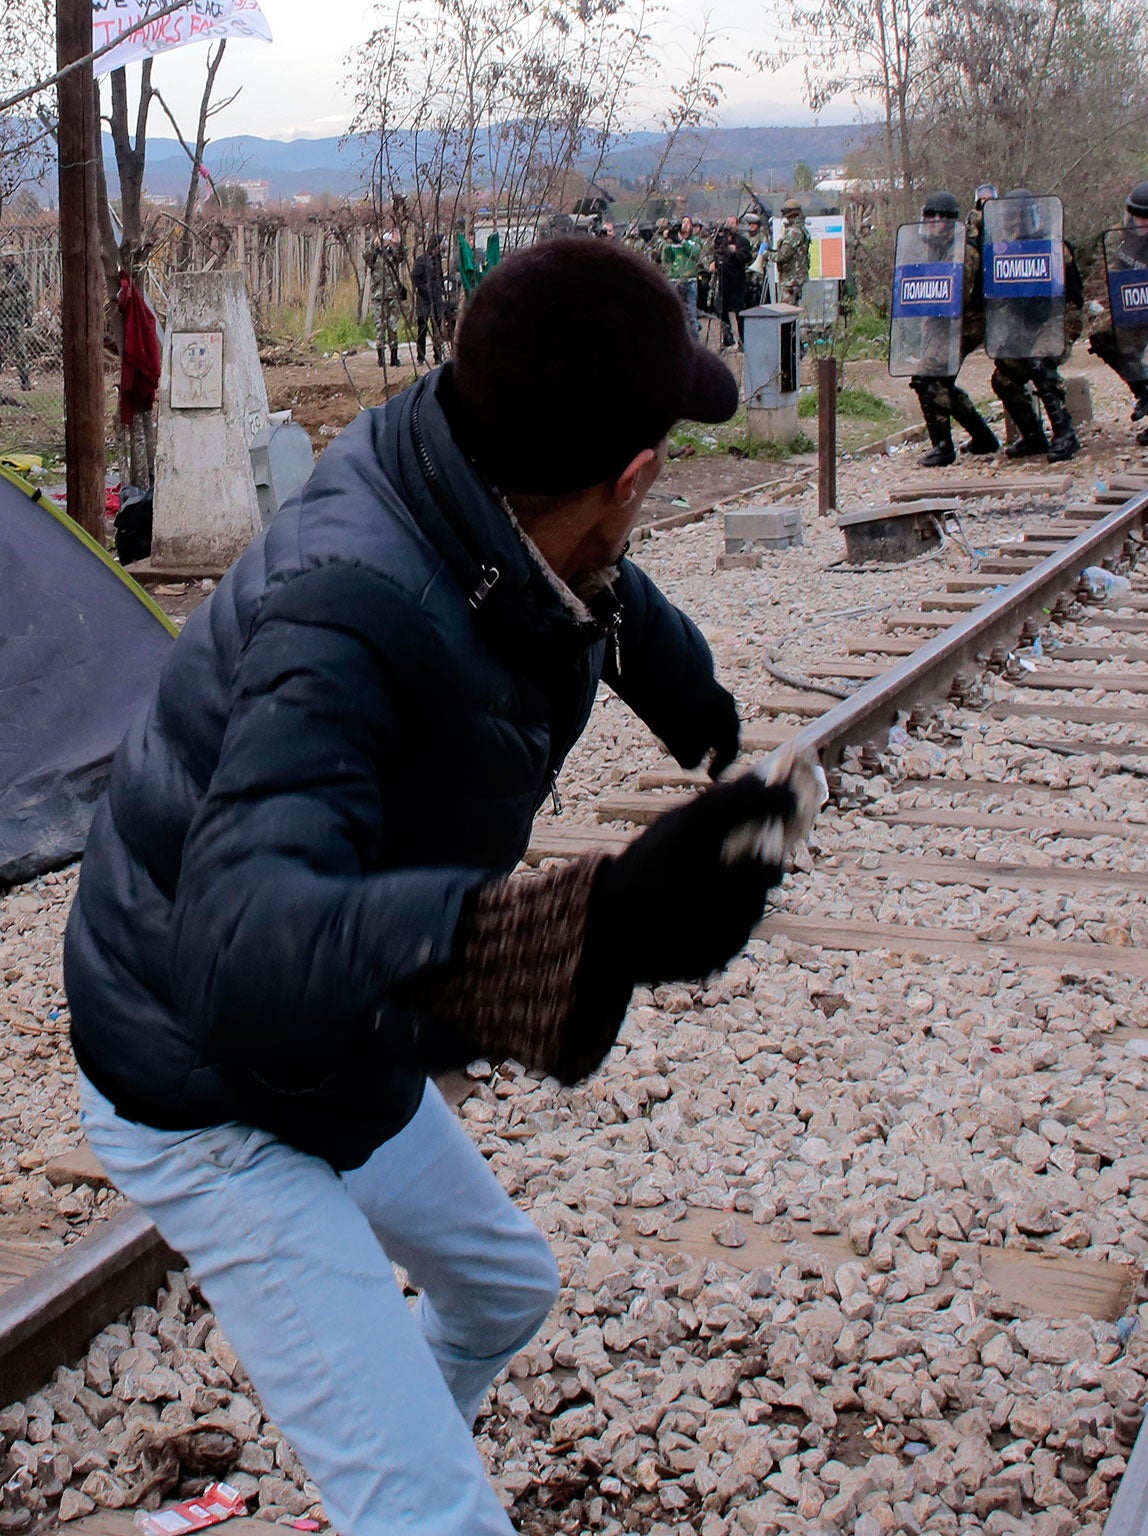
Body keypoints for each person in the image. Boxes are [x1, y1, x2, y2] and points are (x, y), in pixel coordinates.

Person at [63, 237, 817, 1536]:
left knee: (503, 1292)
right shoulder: (347, 609)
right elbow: (240, 943)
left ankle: (387, 1475)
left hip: (332, 1035)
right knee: (435, 1517)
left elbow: (593, 588)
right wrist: (602, 921)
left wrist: (696, 705)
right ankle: (405, 1498)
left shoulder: (473, 487)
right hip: (205, 1077)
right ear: (633, 473)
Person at [985, 189, 1086, 462]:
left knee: (1040, 362)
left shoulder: (1054, 246)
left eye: (1018, 218)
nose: (1013, 224)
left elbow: (1073, 298)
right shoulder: (1005, 251)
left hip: (1061, 317)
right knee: (1004, 376)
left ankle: (1065, 434)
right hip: (1027, 322)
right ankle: (1033, 436)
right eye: (1010, 219)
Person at [1085, 180, 1148, 446]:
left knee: (1125, 348)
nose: (1141, 225)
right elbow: (1118, 264)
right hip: (1129, 301)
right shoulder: (1127, 231)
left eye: (1147, 220)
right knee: (1102, 340)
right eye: (1137, 218)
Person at [905, 190, 1000, 467]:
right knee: (938, 380)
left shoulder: (964, 250)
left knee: (929, 376)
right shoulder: (935, 246)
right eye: (928, 216)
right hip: (942, 321)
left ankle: (943, 446)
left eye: (938, 217)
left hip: (967, 322)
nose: (932, 222)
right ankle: (983, 437)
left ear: (950, 220)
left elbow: (960, 297)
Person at [366, 229, 409, 368]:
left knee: (393, 326)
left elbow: (402, 256)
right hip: (379, 296)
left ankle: (394, 357)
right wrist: (374, 245)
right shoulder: (374, 255)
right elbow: (365, 256)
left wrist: (398, 244)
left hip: (393, 295)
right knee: (380, 327)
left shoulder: (393, 253)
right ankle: (380, 358)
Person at [410, 233, 452, 367]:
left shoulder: (438, 260)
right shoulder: (422, 260)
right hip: (424, 300)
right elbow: (415, 277)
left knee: (437, 329)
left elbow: (440, 279)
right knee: (422, 329)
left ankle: (438, 355)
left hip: (437, 300)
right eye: (441, 244)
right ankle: (420, 357)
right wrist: (425, 289)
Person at [711, 216, 753, 350]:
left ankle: (743, 341)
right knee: (721, 310)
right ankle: (727, 337)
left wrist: (736, 252)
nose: (729, 225)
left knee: (739, 312)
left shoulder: (742, 241)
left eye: (732, 223)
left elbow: (747, 258)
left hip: (737, 281)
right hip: (723, 280)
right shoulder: (719, 241)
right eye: (728, 222)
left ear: (737, 225)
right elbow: (715, 256)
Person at [662, 216, 706, 343]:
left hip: (690, 280)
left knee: (691, 314)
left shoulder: (695, 240)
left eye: (688, 222)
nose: (685, 225)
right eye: (683, 222)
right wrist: (668, 241)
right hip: (675, 279)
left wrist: (682, 241)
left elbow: (695, 253)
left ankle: (694, 343)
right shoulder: (674, 242)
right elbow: (667, 258)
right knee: (674, 313)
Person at [0, 254, 33, 392]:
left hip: (16, 318)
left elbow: (28, 294)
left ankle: (25, 381)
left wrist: (29, 313)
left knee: (21, 350)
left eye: (12, 256)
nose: (10, 259)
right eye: (7, 256)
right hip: (2, 318)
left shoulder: (20, 275)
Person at [772, 198, 811, 308]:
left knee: (786, 312)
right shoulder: (800, 229)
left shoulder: (794, 232)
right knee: (791, 312)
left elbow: (782, 256)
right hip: (794, 278)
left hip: (791, 280)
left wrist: (766, 254)